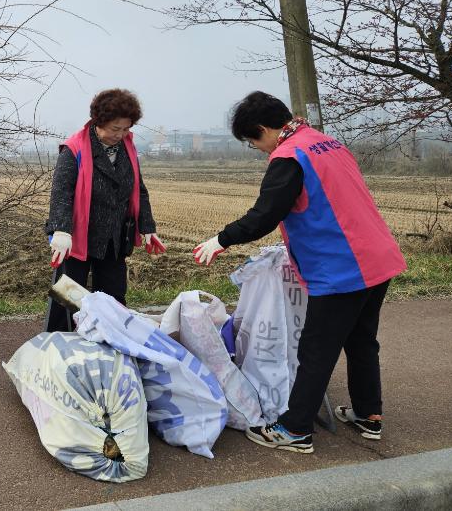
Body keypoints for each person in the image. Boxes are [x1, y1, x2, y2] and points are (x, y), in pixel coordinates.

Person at [193, 91, 406, 454]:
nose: (257, 149)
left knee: (316, 349)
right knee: (361, 341)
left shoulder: (289, 157)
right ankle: (369, 415)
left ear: (263, 129)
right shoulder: (326, 142)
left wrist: (222, 239)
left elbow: (266, 213)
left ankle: (295, 430)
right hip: (378, 256)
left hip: (341, 267)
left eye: (253, 141)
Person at [44, 89, 166, 331]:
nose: (120, 135)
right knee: (68, 298)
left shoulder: (128, 149)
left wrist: (147, 227)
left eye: (125, 129)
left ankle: (110, 349)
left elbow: (138, 189)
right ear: (99, 122)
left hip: (114, 238)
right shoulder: (74, 148)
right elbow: (61, 192)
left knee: (113, 299)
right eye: (114, 129)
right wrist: (61, 230)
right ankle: (58, 349)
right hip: (77, 237)